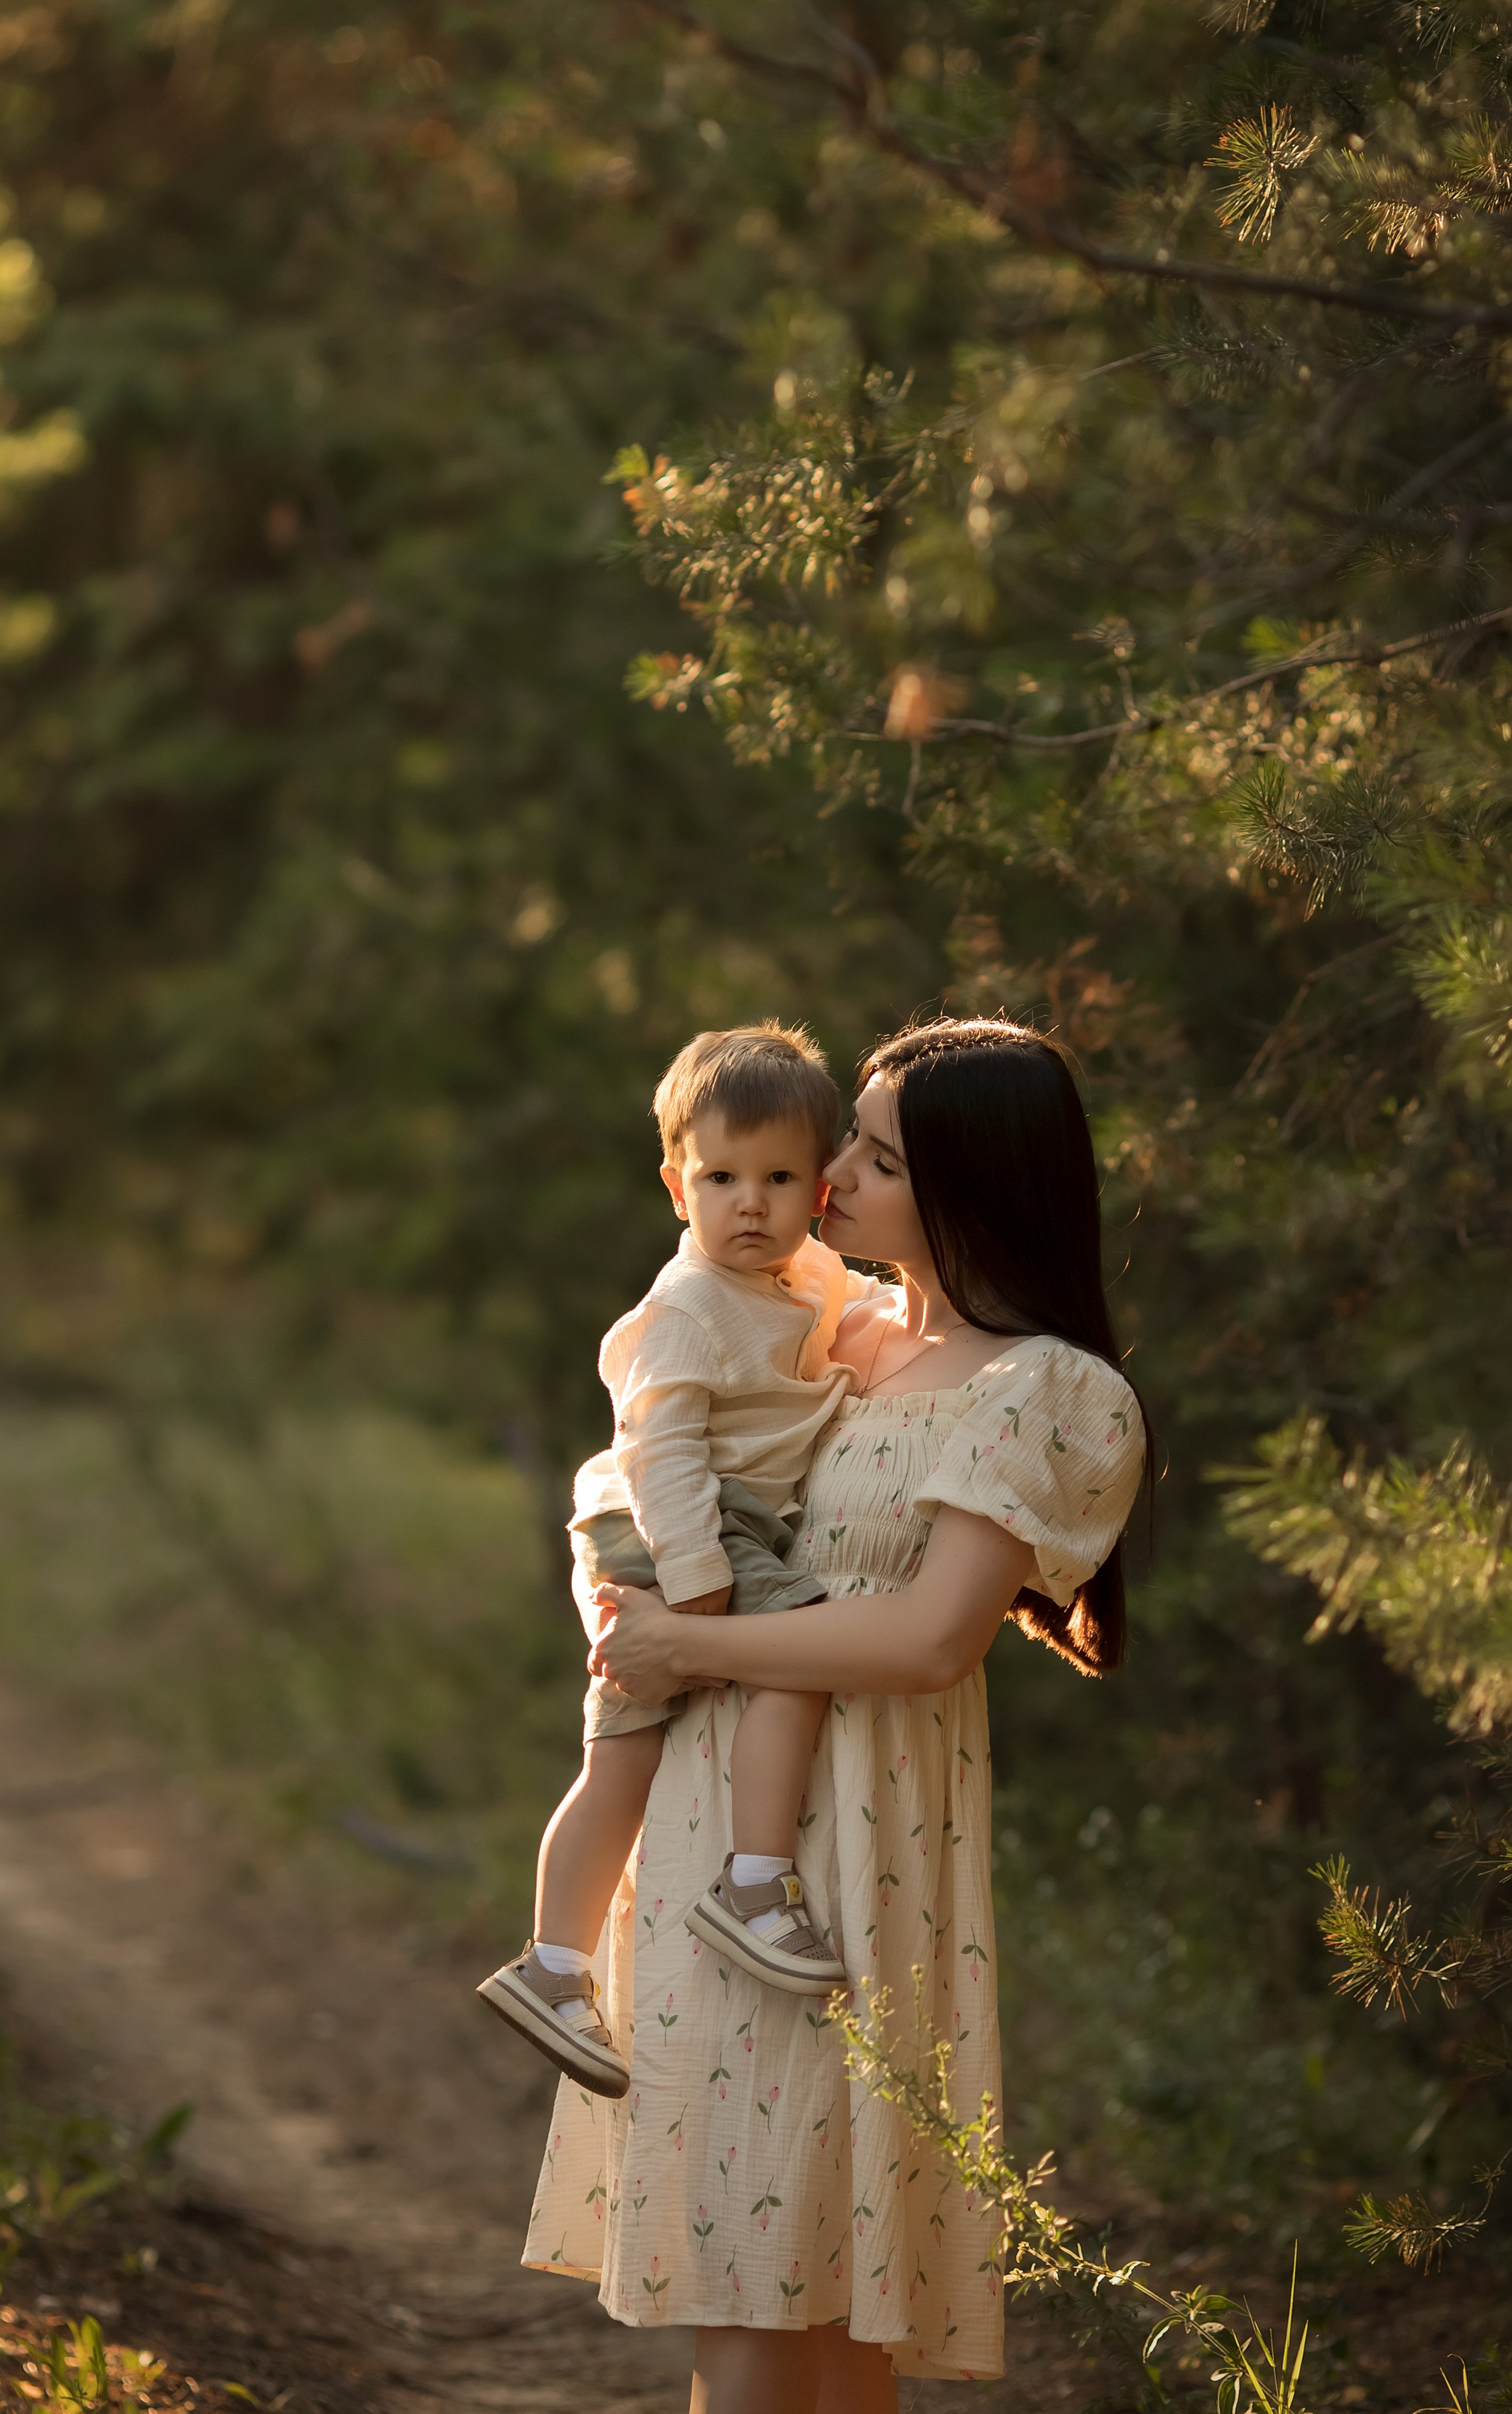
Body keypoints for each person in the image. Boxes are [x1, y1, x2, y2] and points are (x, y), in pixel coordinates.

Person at [521, 1016, 1150, 2410]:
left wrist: (685, 1635)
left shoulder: (1038, 1387)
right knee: (756, 2266)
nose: (828, 1183)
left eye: (870, 1158)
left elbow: (932, 1641)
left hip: (861, 1853)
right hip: (717, 1831)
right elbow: (636, 1475)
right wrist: (629, 1619)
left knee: (827, 2276)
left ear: (971, 1185)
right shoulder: (834, 1338)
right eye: (845, 1150)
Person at [479, 1024, 867, 2099]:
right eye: (721, 1177)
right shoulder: (687, 1307)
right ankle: (754, 1883)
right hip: (672, 1519)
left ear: (820, 1190)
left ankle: (552, 1967)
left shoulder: (810, 1278)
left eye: (779, 1178)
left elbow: (867, 1315)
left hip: (690, 1518)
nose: (751, 1203)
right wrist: (696, 1579)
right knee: (797, 1650)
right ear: (675, 1184)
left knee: (629, 1750)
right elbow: (659, 1447)